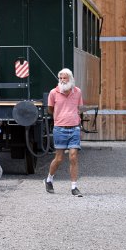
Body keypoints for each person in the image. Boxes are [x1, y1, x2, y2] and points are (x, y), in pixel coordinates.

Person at [45, 67, 84, 197]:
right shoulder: (53, 93)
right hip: (60, 128)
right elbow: (50, 109)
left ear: (70, 79)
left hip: (74, 128)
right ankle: (49, 179)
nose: (62, 80)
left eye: (64, 78)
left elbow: (79, 108)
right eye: (60, 78)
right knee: (59, 158)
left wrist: (76, 120)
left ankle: (74, 187)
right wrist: (60, 117)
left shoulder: (77, 92)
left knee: (73, 156)